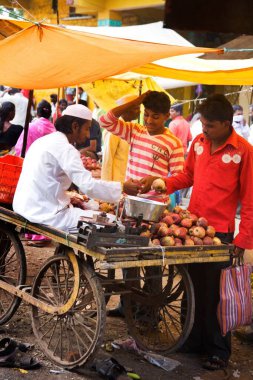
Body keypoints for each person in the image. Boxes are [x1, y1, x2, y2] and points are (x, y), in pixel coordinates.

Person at [140, 94, 253, 370]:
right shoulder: (198, 143)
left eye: (210, 125)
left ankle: (217, 350)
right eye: (202, 124)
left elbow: (250, 199)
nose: (204, 130)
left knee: (215, 294)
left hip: (221, 234)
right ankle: (191, 340)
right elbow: (186, 176)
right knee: (191, 288)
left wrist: (243, 239)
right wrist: (161, 183)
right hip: (191, 227)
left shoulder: (244, 151)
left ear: (227, 124)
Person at [13, 104, 138, 231]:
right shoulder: (66, 149)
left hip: (24, 205)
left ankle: (66, 251)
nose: (88, 135)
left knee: (89, 209)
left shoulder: (44, 141)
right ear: (75, 126)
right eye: (87, 129)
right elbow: (88, 186)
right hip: (46, 213)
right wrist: (122, 187)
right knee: (111, 221)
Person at [99, 91, 184, 194]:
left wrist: (157, 180)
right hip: (129, 200)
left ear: (166, 116)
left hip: (155, 205)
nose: (149, 120)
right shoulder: (134, 131)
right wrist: (135, 102)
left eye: (155, 117)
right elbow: (104, 121)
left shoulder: (174, 143)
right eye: (146, 115)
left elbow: (179, 179)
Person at [101, 95, 140, 183]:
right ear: (125, 110)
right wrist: (107, 186)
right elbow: (107, 160)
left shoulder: (132, 129)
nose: (139, 112)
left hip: (128, 181)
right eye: (136, 108)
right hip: (116, 183)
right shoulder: (114, 131)